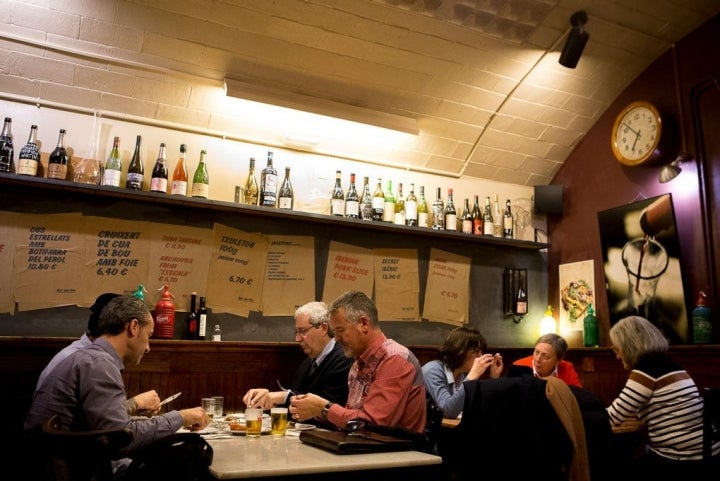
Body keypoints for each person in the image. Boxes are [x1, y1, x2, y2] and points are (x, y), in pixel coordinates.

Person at [24, 295, 210, 479]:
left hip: (65, 464)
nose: (148, 348)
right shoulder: (98, 364)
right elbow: (121, 440)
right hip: (80, 472)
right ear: (134, 327)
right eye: (148, 336)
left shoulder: (88, 358)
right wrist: (181, 417)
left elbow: (111, 429)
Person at [289, 290, 426, 433]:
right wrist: (315, 411)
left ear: (364, 323)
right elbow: (352, 419)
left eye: (340, 330)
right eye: (334, 331)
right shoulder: (357, 363)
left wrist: (324, 409)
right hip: (365, 447)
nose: (336, 338)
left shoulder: (394, 359)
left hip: (398, 451)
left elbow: (373, 425)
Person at [607, 315, 717, 477]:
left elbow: (613, 417)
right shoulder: (670, 366)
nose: (617, 356)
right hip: (706, 452)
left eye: (617, 349)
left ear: (629, 345)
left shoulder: (646, 371)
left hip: (682, 458)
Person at [35, 292, 161, 416]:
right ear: (131, 326)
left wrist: (133, 405)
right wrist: (136, 403)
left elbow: (100, 415)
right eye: (148, 335)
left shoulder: (93, 356)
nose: (148, 348)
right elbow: (111, 426)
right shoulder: (94, 361)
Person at [242, 301, 353, 414]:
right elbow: (295, 399)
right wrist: (266, 398)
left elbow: (325, 409)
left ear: (324, 328)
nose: (297, 339)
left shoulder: (344, 359)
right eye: (297, 332)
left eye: (302, 331)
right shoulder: (308, 362)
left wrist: (283, 396)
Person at [422, 326, 503, 419]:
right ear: (460, 351)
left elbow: (480, 406)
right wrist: (473, 375)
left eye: (481, 352)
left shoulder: (463, 373)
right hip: (428, 431)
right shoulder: (432, 370)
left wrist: (493, 378)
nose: (480, 357)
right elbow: (448, 411)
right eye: (477, 352)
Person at [510, 333, 583, 387]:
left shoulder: (567, 367)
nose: (537, 359)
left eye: (546, 357)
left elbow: (578, 397)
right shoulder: (518, 366)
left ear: (558, 360)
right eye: (536, 352)